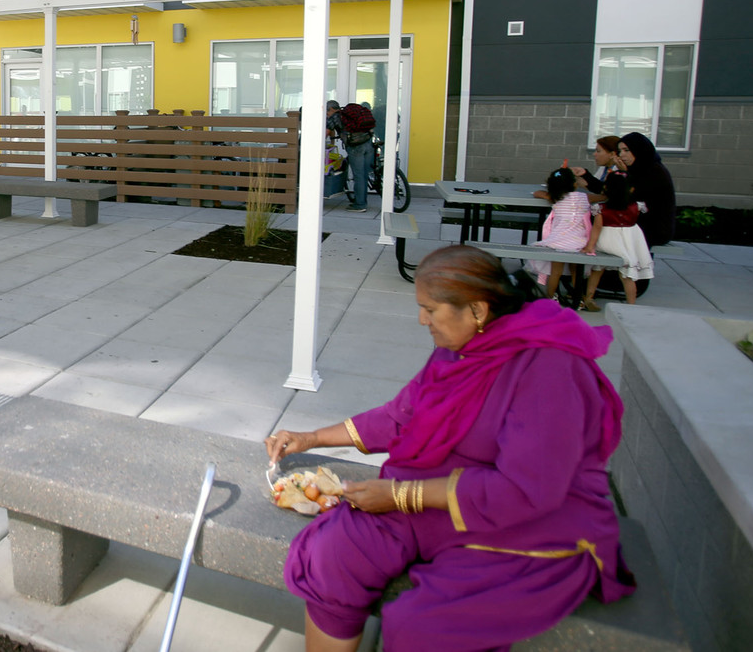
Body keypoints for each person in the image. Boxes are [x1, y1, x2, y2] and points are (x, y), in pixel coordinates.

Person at [267, 245, 633, 652]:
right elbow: (401, 416)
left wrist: (402, 495)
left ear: (477, 310)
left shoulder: (550, 366)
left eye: (431, 309)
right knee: (333, 554)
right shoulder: (460, 344)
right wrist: (311, 438)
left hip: (523, 520)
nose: (422, 319)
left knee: (424, 626)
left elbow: (527, 489)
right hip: (435, 496)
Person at [579, 172, 653, 310]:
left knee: (597, 269)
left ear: (607, 190)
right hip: (627, 244)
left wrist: (590, 246)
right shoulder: (636, 207)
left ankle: (589, 297)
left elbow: (597, 228)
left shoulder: (601, 209)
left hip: (607, 243)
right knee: (627, 276)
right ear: (630, 189)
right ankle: (631, 305)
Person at [527, 163, 592, 300]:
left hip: (558, 243)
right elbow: (602, 197)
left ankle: (551, 297)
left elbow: (537, 193)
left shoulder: (555, 197)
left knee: (555, 272)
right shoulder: (584, 197)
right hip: (579, 243)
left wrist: (547, 194)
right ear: (574, 184)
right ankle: (578, 299)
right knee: (576, 271)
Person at [338, 101, 375, 213]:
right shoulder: (354, 114)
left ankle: (360, 204)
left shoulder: (337, 117)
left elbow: (325, 132)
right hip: (368, 143)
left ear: (330, 109)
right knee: (364, 174)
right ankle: (362, 199)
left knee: (359, 176)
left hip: (356, 147)